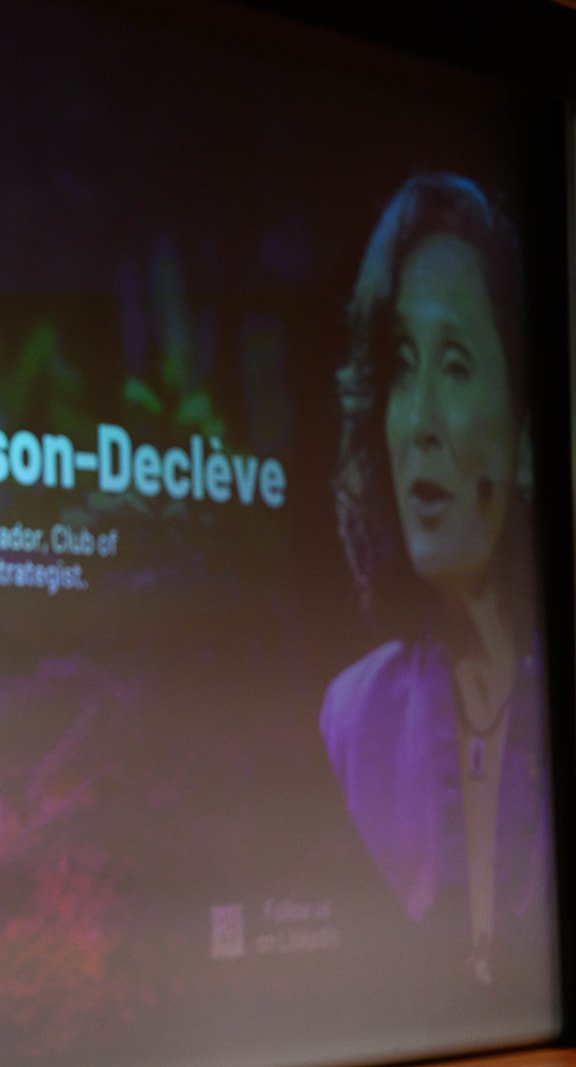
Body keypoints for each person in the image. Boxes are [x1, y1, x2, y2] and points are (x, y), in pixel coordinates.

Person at [320, 172, 548, 986]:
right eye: (401, 367)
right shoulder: (351, 717)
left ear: (525, 435)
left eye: (454, 366)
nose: (417, 422)